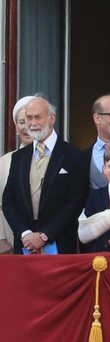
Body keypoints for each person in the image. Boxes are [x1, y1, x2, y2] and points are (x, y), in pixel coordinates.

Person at [3, 96, 87, 254]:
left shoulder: (74, 156)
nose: (33, 123)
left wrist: (44, 235)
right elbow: (8, 201)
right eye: (29, 118)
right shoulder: (18, 157)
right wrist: (25, 233)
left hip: (60, 244)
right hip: (24, 245)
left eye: (38, 117)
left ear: (51, 118)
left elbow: (75, 202)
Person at [0, 95, 35, 254]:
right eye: (21, 122)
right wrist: (1, 239)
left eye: (31, 121)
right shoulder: (5, 162)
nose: (27, 127)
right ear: (15, 127)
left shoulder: (56, 158)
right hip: (11, 241)